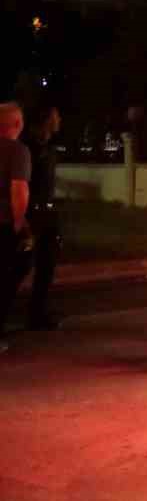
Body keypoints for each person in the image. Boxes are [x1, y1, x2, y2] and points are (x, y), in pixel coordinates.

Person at [20, 104, 62, 330]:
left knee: (47, 266)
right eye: (56, 116)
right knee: (20, 264)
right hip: (31, 213)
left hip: (47, 213)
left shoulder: (50, 149)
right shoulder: (28, 148)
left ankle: (38, 313)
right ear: (46, 120)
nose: (59, 120)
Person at [0, 101, 31, 353]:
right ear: (17, 124)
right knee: (11, 272)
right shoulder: (17, 151)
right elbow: (18, 189)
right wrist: (19, 223)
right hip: (3, 224)